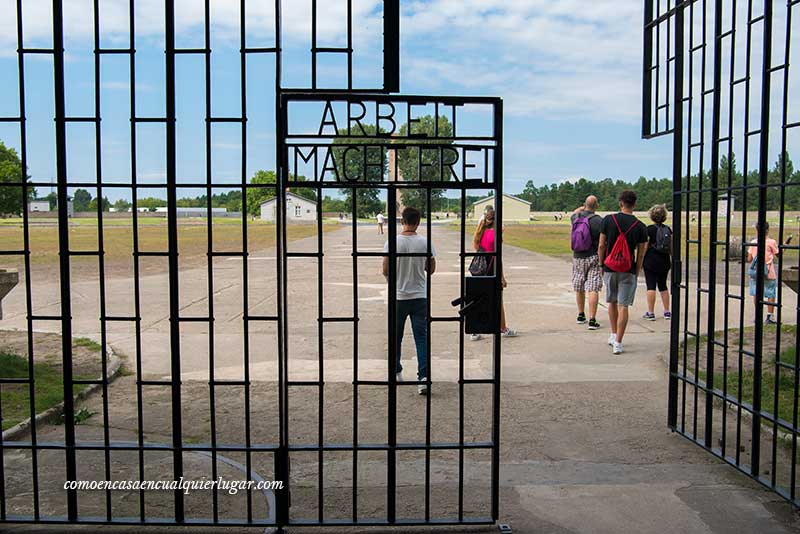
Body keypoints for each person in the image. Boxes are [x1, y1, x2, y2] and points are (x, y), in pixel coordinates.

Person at [382, 207, 436, 395]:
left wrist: (393, 283)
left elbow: (385, 269)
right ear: (418, 222)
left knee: (396, 336)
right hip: (419, 295)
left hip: (398, 296)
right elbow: (431, 269)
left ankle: (396, 371)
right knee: (421, 338)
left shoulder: (393, 242)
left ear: (402, 220)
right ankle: (423, 378)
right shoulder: (424, 242)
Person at [597, 190, 648, 354]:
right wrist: (637, 269)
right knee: (623, 305)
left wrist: (600, 263)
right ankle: (619, 341)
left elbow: (601, 245)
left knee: (611, 301)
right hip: (628, 268)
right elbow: (641, 252)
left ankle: (612, 334)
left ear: (620, 203)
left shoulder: (608, 220)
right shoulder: (640, 226)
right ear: (635, 204)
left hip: (610, 267)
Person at [469, 205, 517, 340]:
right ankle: (503, 327)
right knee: (498, 299)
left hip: (480, 268)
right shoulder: (496, 234)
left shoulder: (480, 231)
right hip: (492, 267)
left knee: (478, 299)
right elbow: (497, 256)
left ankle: (475, 330)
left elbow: (477, 248)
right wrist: (502, 277)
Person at [570, 195, 603, 330]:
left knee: (579, 286)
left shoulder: (576, 218)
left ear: (585, 205)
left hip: (578, 256)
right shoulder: (599, 221)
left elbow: (574, 212)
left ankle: (580, 314)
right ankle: (592, 319)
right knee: (593, 288)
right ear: (596, 206)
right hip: (593, 256)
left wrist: (583, 207)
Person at [642, 205, 672, 321]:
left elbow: (645, 246)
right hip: (664, 260)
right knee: (663, 285)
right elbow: (671, 246)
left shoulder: (649, 229)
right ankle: (667, 311)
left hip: (651, 260)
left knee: (651, 285)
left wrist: (641, 259)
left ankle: (651, 312)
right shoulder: (668, 229)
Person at [747, 221, 780, 325]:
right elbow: (779, 255)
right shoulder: (771, 242)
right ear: (768, 229)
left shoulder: (753, 242)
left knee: (756, 293)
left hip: (756, 272)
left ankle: (758, 315)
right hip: (768, 271)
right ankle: (770, 316)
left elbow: (749, 259)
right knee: (770, 293)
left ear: (756, 230)